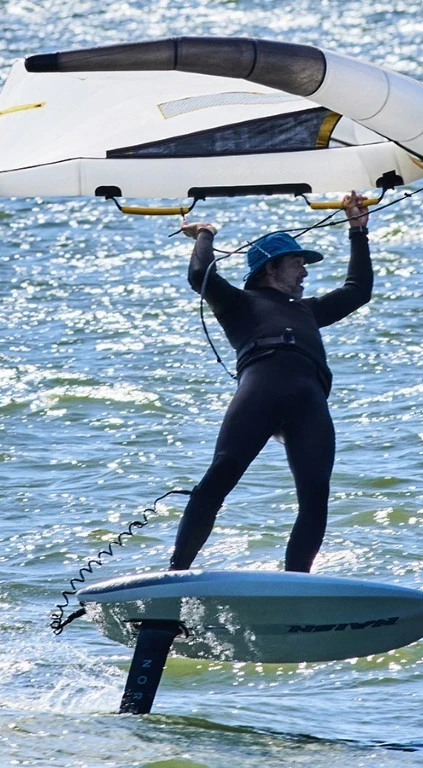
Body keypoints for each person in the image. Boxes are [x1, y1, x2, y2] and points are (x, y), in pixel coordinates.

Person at [169, 192, 372, 573]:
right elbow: (199, 275)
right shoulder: (238, 303)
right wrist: (205, 233)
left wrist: (357, 230)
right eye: (297, 264)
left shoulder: (309, 310)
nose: (305, 273)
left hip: (309, 399)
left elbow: (358, 290)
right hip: (261, 388)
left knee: (315, 497)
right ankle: (176, 573)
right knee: (219, 478)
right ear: (270, 268)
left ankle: (296, 584)